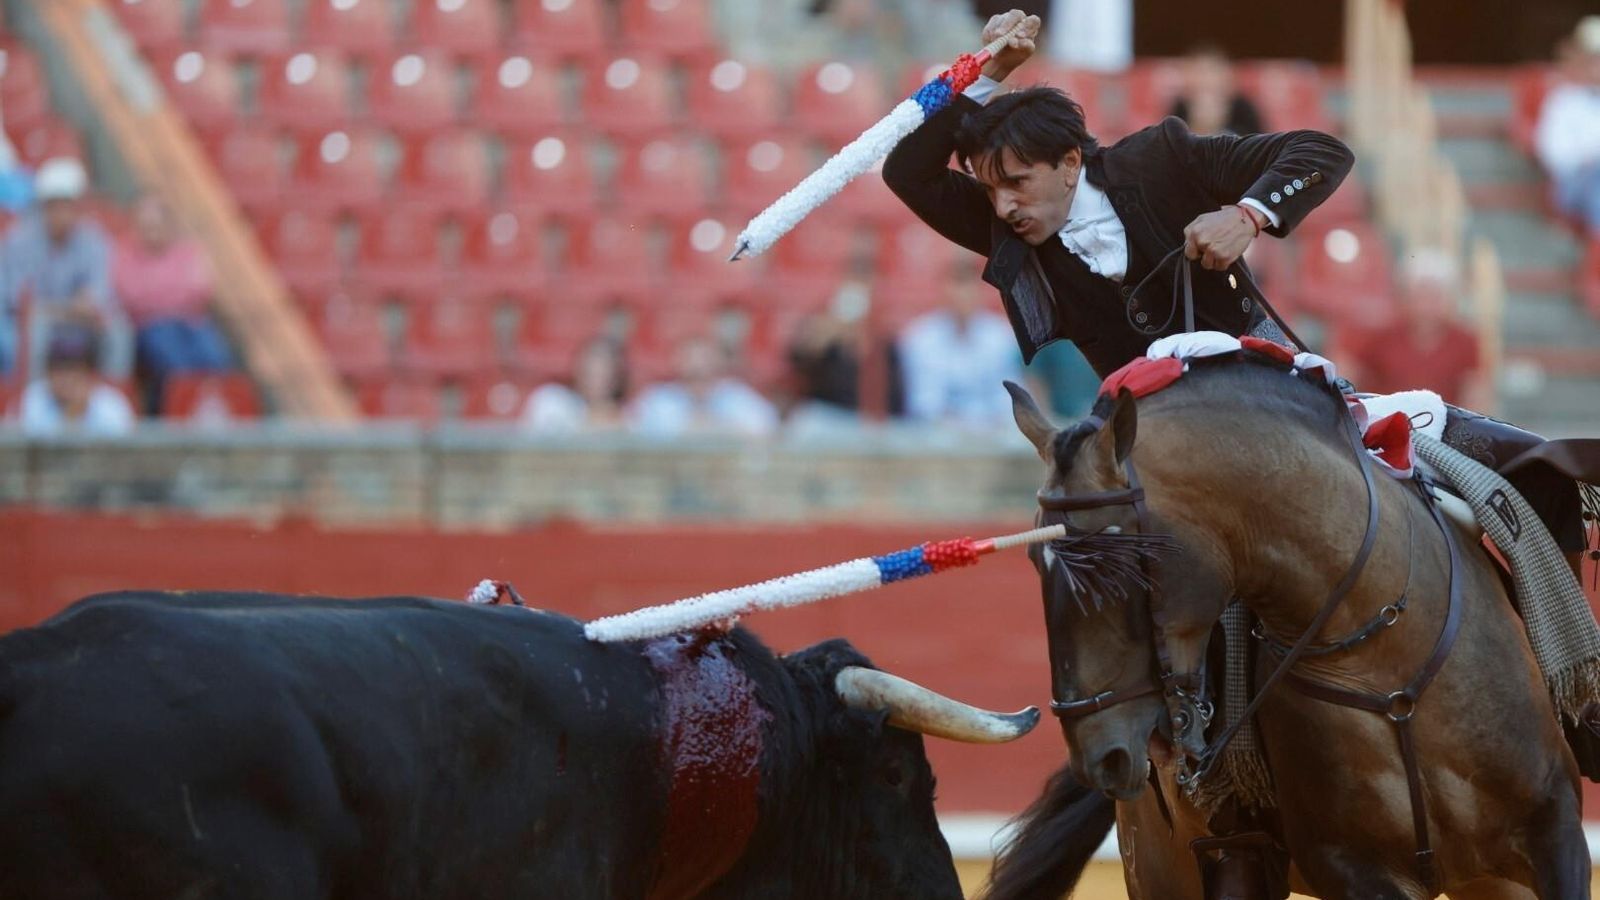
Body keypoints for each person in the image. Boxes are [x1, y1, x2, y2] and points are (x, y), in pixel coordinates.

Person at [884, 11, 1592, 589]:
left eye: (1016, 183)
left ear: (1070, 163)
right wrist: (985, 76)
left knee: (1462, 443)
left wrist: (1248, 215)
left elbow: (1321, 152)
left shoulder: (1159, 159)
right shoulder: (1002, 225)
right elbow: (905, 171)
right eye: (990, 189)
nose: (1003, 206)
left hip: (1283, 400)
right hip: (1162, 447)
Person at [0, 157, 132, 379]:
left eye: (67, 206)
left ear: (79, 208)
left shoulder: (94, 240)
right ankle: (32, 395)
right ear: (43, 207)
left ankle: (113, 393)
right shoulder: (19, 240)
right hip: (28, 320)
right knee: (34, 328)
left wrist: (80, 306)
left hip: (76, 320)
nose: (61, 213)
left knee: (119, 330)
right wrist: (65, 308)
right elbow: (17, 300)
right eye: (54, 206)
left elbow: (97, 294)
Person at [113, 194, 233, 413]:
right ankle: (175, 417)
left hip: (192, 324)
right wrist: (174, 296)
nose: (152, 232)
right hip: (150, 327)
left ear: (169, 225)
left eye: (157, 225)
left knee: (216, 360)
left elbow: (201, 290)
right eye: (146, 227)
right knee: (177, 366)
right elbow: (132, 296)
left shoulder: (189, 251)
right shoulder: (125, 253)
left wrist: (156, 294)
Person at [1334, 250, 1487, 408]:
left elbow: (1475, 395)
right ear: (1406, 295)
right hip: (1382, 418)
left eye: (1436, 296)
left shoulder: (1465, 340)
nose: (1427, 305)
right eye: (1421, 294)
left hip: (1444, 420)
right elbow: (1344, 375)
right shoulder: (1380, 330)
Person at [898, 260, 1023, 427]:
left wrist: (982, 428)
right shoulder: (920, 338)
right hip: (939, 435)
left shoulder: (1002, 337)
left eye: (968, 286)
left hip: (993, 433)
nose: (963, 294)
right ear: (943, 290)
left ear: (980, 292)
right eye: (957, 285)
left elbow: (1008, 400)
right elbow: (924, 405)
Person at [630, 336, 778, 437]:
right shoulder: (658, 399)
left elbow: (765, 429)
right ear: (677, 363)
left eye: (706, 360)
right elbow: (633, 431)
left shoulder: (739, 397)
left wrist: (715, 429)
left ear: (719, 364)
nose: (699, 367)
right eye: (690, 361)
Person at [1534, 15, 1600, 234]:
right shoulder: (1563, 100)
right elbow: (1553, 153)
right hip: (1575, 182)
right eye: (1594, 60)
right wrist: (1589, 157)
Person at [16, 324, 136, 437]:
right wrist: (71, 416)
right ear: (48, 372)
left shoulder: (111, 404)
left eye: (74, 369)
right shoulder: (32, 399)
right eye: (59, 369)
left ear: (90, 373)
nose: (67, 378)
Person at [522, 336, 630, 433]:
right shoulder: (552, 400)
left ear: (617, 378)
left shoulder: (627, 416)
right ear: (578, 370)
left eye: (604, 373)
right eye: (590, 372)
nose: (596, 380)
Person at [1167, 43, 1266, 137]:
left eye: (1211, 71)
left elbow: (1257, 144)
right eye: (1198, 71)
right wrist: (1198, 124)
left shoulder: (1243, 108)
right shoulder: (1180, 109)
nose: (1205, 79)